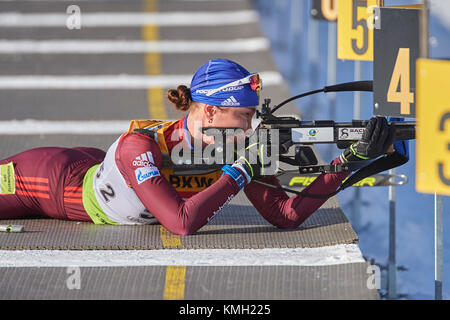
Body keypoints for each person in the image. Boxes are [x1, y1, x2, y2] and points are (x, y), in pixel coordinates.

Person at [0, 59, 394, 235]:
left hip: (94, 167)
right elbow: (181, 223)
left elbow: (285, 215)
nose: (252, 125)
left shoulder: (233, 144)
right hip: (46, 183)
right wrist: (242, 170)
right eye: (243, 115)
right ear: (208, 113)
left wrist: (349, 160)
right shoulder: (139, 147)